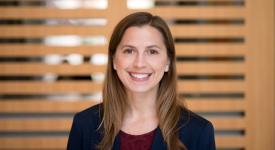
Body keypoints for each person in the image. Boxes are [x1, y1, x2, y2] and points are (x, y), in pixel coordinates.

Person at [67, 12, 216, 150]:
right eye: (129, 51)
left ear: (168, 62)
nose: (139, 63)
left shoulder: (199, 132)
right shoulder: (84, 125)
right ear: (113, 60)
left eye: (152, 52)